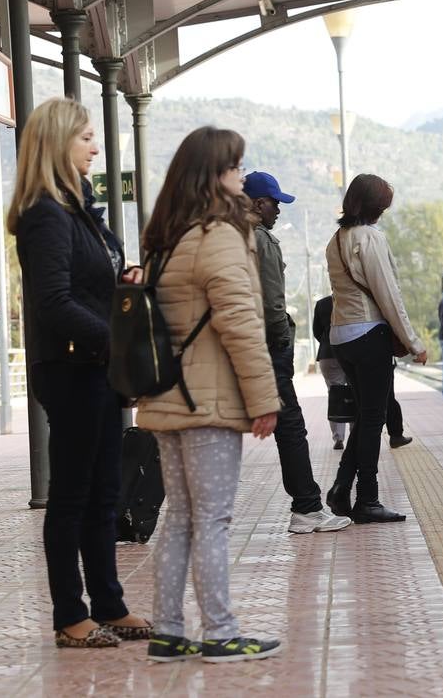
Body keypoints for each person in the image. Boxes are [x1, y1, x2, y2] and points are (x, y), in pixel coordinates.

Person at [8, 98, 152, 649]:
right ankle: (71, 613)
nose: (95, 147)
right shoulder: (46, 213)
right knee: (73, 494)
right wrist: (115, 335)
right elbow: (53, 302)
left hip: (96, 365)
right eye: (86, 137)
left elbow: (89, 288)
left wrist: (124, 283)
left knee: (104, 490)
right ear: (58, 144)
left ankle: (109, 605)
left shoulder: (79, 211)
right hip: (70, 366)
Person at [137, 126, 282, 661]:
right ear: (215, 176)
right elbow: (240, 323)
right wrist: (263, 398)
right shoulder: (218, 235)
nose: (242, 178)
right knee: (213, 520)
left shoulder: (166, 237)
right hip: (209, 403)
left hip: (168, 397)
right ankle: (220, 631)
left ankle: (169, 630)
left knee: (179, 517)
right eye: (236, 168)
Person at [243, 171, 351, 535]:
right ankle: (306, 507)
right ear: (259, 203)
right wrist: (282, 342)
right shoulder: (262, 240)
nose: (278, 210)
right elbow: (273, 303)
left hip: (238, 344)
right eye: (275, 203)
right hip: (266, 348)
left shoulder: (227, 235)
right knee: (290, 426)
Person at [324, 173, 428, 525]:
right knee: (372, 420)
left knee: (367, 416)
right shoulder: (369, 238)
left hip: (341, 336)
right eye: (383, 205)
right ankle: (367, 499)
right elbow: (388, 294)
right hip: (369, 335)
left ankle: (341, 488)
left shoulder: (336, 239)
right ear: (374, 206)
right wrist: (413, 342)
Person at [314, 295, 351, 449]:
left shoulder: (322, 304)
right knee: (355, 392)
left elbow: (317, 331)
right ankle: (356, 433)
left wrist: (326, 341)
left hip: (328, 353)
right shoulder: (350, 300)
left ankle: (338, 438)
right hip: (351, 351)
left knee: (335, 393)